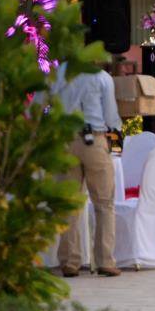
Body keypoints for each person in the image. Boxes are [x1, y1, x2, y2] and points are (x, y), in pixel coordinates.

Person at [48, 65, 123, 277]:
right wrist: (115, 126)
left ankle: (70, 262)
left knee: (68, 204)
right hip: (94, 139)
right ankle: (105, 261)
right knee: (104, 203)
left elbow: (41, 104)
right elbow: (110, 116)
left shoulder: (57, 73)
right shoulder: (101, 76)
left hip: (63, 139)